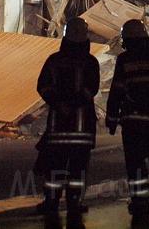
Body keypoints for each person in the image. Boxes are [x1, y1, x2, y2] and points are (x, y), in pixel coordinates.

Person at [106, 19, 149, 223]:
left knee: (136, 165)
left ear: (127, 39)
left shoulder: (124, 60)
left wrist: (111, 119)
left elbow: (117, 91)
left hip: (133, 122)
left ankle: (140, 203)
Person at [35, 17, 99, 228]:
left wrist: (60, 104)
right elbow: (92, 89)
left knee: (55, 166)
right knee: (78, 168)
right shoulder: (90, 62)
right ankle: (74, 202)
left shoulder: (54, 60)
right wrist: (74, 104)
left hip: (58, 127)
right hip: (82, 129)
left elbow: (43, 86)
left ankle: (51, 201)